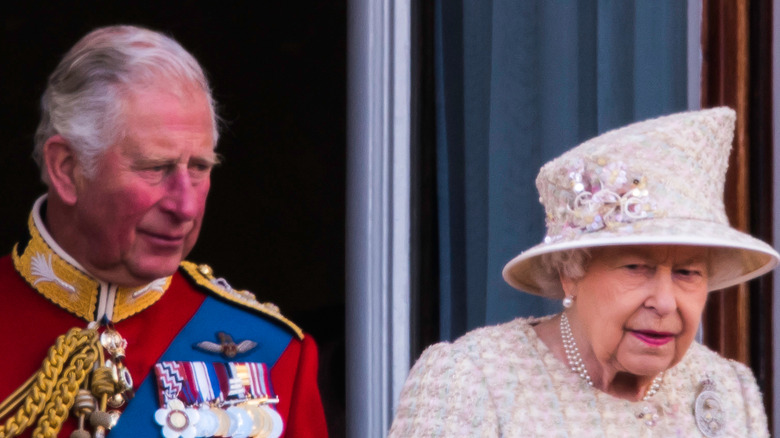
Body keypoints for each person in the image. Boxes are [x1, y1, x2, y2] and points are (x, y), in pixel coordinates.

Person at [0, 25, 328, 438]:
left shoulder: (273, 354)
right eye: (155, 168)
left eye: (200, 168)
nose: (186, 207)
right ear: (67, 169)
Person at [388, 107, 779, 436]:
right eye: (636, 267)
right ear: (570, 272)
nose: (664, 302)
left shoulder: (729, 390)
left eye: (687, 273)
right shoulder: (472, 381)